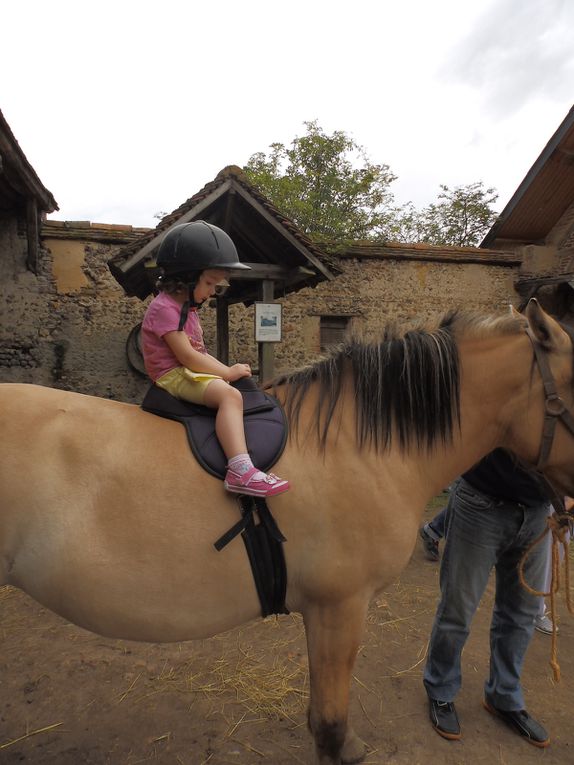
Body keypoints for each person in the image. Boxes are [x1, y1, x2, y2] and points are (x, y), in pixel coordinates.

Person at [141, 221, 289, 498]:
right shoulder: (164, 308)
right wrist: (227, 373)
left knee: (237, 387)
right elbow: (187, 357)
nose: (211, 291)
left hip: (186, 369)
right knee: (229, 397)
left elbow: (199, 353)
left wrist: (225, 371)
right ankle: (240, 469)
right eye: (209, 282)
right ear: (186, 276)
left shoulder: (186, 308)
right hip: (172, 375)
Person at [423, 449, 551, 748]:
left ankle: (504, 695)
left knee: (522, 613)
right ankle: (440, 689)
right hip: (482, 502)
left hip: (539, 511)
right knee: (458, 608)